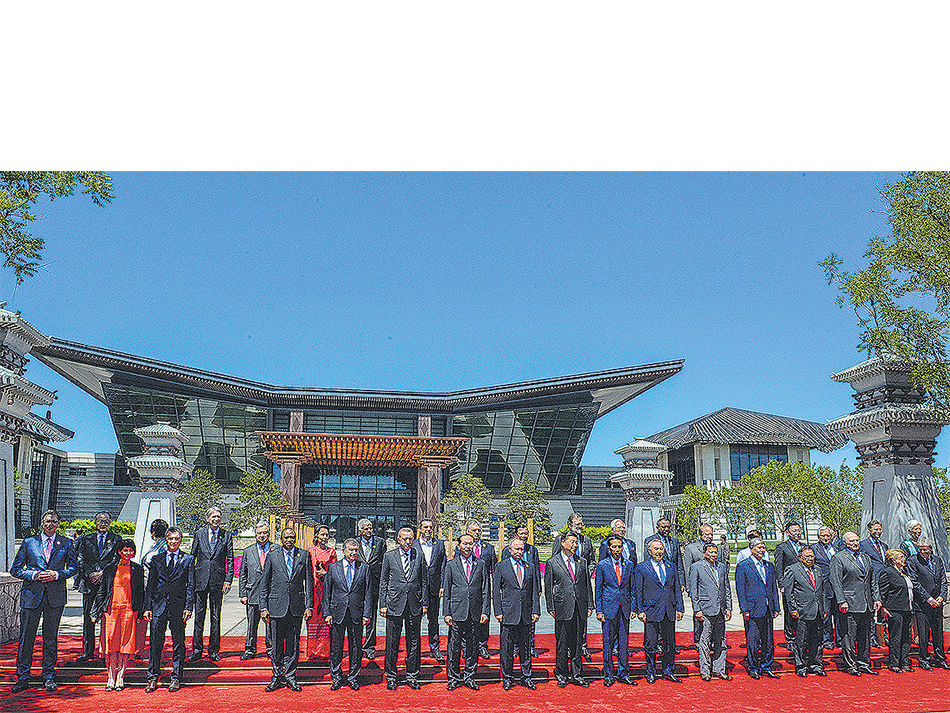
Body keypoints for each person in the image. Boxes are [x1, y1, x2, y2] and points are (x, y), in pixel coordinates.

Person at [11, 509, 78, 694]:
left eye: (54, 521)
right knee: (26, 637)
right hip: (32, 596)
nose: (50, 524)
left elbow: (74, 567)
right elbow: (15, 569)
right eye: (48, 521)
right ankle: (23, 676)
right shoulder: (29, 542)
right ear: (42, 523)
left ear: (58, 524)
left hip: (54, 597)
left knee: (50, 638)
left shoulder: (66, 543)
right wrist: (34, 575)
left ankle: (48, 675)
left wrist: (57, 574)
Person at [261, 527, 313, 692]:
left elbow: (309, 583)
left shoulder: (303, 555)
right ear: (281, 539)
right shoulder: (272, 555)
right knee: (276, 644)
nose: (289, 540)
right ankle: (277, 675)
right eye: (286, 537)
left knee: (293, 644)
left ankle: (290, 675)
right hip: (276, 606)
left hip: (296, 607)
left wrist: (309, 606)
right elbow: (265, 582)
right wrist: (263, 606)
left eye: (292, 537)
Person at [144, 527, 195, 693]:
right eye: (171, 538)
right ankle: (152, 677)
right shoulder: (156, 559)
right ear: (166, 540)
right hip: (158, 607)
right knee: (155, 643)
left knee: (178, 643)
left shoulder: (188, 559)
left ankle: (176, 678)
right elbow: (150, 586)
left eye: (177, 538)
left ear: (181, 540)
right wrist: (147, 607)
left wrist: (188, 607)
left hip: (178, 607)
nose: (174, 541)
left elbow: (190, 586)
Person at [91, 538, 145, 690]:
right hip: (111, 611)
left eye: (131, 550)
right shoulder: (109, 569)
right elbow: (102, 591)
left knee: (125, 645)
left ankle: (120, 676)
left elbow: (140, 592)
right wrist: (95, 611)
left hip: (129, 611)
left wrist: (140, 612)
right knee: (111, 645)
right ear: (119, 551)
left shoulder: (137, 569)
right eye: (125, 550)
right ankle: (110, 677)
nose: (128, 553)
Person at [379, 526, 428, 690]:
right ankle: (391, 675)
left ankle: (412, 675)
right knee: (392, 641)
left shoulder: (419, 555)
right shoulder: (389, 556)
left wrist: (424, 603)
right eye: (404, 539)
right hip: (394, 604)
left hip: (414, 604)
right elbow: (383, 582)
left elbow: (424, 581)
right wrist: (383, 604)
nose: (407, 542)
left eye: (410, 538)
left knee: (414, 641)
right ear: (398, 540)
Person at [442, 533, 490, 691]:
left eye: (470, 544)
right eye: (464, 543)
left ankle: (469, 676)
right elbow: (447, 590)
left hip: (475, 612)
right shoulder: (451, 564)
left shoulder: (481, 564)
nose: (467, 546)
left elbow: (485, 589)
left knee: (473, 646)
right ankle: (453, 677)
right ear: (459, 545)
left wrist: (485, 611)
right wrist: (447, 613)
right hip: (457, 611)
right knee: (454, 646)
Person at [323, 538, 373, 690]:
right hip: (337, 612)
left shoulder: (364, 568)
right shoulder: (333, 568)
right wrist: (327, 613)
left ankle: (353, 677)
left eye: (356, 550)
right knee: (336, 647)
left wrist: (367, 614)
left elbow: (368, 593)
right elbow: (327, 592)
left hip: (356, 613)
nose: (353, 553)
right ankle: (336, 677)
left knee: (356, 647)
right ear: (344, 551)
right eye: (351, 550)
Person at [545, 531, 593, 687]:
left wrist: (590, 605)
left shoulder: (582, 562)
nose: (574, 545)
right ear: (563, 542)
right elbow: (548, 587)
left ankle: (577, 674)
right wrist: (550, 606)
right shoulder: (553, 562)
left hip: (579, 607)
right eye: (571, 542)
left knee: (577, 643)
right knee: (562, 642)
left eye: (576, 542)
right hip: (562, 607)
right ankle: (561, 673)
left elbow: (587, 585)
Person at [830, 531, 881, 676]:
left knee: (865, 636)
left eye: (857, 540)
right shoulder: (839, 558)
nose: (855, 543)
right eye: (851, 541)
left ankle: (864, 663)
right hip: (849, 604)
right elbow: (836, 581)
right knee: (849, 636)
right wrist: (841, 600)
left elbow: (872, 579)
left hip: (866, 603)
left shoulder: (865, 557)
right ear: (845, 543)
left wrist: (876, 598)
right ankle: (851, 665)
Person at [635, 539, 685, 683]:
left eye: (661, 549)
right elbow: (638, 590)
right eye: (656, 549)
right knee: (650, 643)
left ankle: (668, 670)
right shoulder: (641, 567)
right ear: (649, 551)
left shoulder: (671, 566)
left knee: (669, 644)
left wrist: (680, 608)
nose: (659, 552)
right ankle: (651, 672)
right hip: (651, 610)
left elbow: (676, 589)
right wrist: (640, 610)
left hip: (669, 610)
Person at [494, 538, 540, 690]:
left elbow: (534, 591)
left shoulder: (530, 567)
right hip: (508, 613)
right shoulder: (501, 566)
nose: (519, 552)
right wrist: (498, 611)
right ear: (510, 550)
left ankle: (526, 676)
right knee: (507, 648)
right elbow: (496, 591)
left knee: (525, 647)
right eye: (516, 549)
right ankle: (507, 677)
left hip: (526, 613)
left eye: (521, 549)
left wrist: (535, 610)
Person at [189, 506, 233, 662]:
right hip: (200, 581)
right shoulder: (199, 534)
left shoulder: (226, 535)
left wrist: (228, 580)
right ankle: (197, 650)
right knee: (199, 617)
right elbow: (192, 557)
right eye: (213, 516)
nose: (216, 519)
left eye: (218, 516)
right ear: (207, 519)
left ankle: (214, 650)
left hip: (217, 581)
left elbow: (230, 559)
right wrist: (191, 579)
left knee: (215, 617)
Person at [76, 511, 121, 662]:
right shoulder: (86, 539)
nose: (103, 523)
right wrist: (91, 574)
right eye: (100, 521)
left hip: (107, 584)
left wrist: (103, 574)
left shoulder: (116, 539)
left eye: (106, 520)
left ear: (110, 523)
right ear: (95, 523)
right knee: (88, 619)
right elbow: (80, 560)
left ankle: (105, 651)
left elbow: (117, 560)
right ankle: (87, 652)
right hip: (89, 584)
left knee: (107, 618)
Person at [735, 538, 781, 679]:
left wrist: (776, 606)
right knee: (753, 641)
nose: (762, 550)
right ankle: (753, 667)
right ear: (751, 548)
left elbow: (773, 587)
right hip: (753, 608)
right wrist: (744, 609)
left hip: (768, 607)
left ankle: (766, 666)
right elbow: (740, 589)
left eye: (763, 547)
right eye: (759, 547)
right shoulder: (743, 566)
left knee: (768, 641)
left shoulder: (769, 566)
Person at [594, 535, 637, 686]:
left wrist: (633, 607)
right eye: (614, 547)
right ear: (609, 548)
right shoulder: (602, 565)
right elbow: (598, 589)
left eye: (619, 547)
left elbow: (632, 588)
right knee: (608, 643)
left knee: (624, 643)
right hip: (608, 608)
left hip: (624, 608)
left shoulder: (629, 564)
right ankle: (608, 674)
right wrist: (599, 610)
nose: (617, 550)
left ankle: (624, 673)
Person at [552, 513, 595, 660]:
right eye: (577, 524)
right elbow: (555, 561)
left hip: (581, 585)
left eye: (581, 523)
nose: (580, 526)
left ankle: (582, 646)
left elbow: (591, 561)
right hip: (566, 590)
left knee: (582, 620)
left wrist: (585, 572)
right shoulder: (560, 540)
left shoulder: (586, 541)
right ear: (570, 525)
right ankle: (567, 650)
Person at [688, 542, 732, 681]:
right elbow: (694, 590)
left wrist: (729, 607)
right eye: (711, 552)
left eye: (715, 552)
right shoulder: (696, 567)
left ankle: (719, 669)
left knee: (721, 641)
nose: (713, 555)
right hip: (705, 609)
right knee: (705, 641)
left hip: (720, 609)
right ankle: (705, 670)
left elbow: (726, 588)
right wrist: (697, 609)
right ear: (704, 553)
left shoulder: (722, 567)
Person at [907, 536, 949, 670]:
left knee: (938, 633)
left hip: (937, 603)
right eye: (921, 549)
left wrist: (942, 596)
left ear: (931, 549)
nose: (923, 552)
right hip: (923, 604)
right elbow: (915, 582)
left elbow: (943, 580)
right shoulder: (913, 561)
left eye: (925, 549)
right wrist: (928, 598)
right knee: (924, 634)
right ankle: (924, 659)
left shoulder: (937, 560)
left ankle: (940, 658)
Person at [783, 546, 826, 677]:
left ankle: (816, 664)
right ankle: (801, 665)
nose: (810, 559)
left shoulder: (818, 569)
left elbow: (822, 591)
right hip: (802, 611)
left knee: (817, 639)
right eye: (807, 556)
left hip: (817, 610)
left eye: (812, 556)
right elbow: (789, 592)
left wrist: (824, 608)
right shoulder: (792, 570)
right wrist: (793, 609)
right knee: (801, 640)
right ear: (800, 557)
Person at [682, 524, 725, 647]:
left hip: (714, 589)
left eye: (711, 534)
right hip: (699, 588)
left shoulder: (718, 548)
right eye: (706, 534)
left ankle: (714, 640)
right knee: (699, 616)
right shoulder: (691, 548)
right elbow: (687, 569)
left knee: (715, 616)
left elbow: (721, 567)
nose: (709, 536)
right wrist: (689, 588)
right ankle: (698, 640)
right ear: (700, 534)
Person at [501, 524, 541, 656]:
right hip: (513, 591)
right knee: (514, 620)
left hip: (528, 590)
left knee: (529, 621)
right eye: (521, 533)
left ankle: (530, 646)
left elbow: (536, 570)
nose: (524, 536)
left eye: (526, 533)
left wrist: (538, 588)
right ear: (516, 535)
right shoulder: (507, 550)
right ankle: (515, 646)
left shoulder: (532, 550)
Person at [413, 518, 447, 661]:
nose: (428, 529)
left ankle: (435, 648)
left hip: (434, 588)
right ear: (420, 529)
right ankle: (414, 650)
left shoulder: (439, 544)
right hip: (417, 589)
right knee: (414, 620)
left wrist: (442, 585)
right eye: (425, 527)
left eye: (430, 527)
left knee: (433, 620)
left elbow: (444, 566)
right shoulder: (413, 544)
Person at [238, 522, 273, 660]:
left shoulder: (276, 549)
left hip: (271, 594)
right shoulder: (248, 551)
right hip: (252, 593)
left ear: (269, 533)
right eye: (259, 533)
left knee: (270, 624)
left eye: (265, 532)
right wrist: (243, 594)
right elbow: (243, 573)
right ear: (255, 534)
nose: (262, 535)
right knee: (252, 624)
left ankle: (271, 649)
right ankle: (250, 649)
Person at [879, 548, 915, 673]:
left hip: (907, 608)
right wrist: (883, 607)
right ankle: (894, 663)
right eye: (901, 557)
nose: (904, 559)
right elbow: (882, 591)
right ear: (893, 559)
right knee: (896, 637)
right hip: (894, 609)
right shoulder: (888, 572)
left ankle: (904, 662)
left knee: (906, 637)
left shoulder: (904, 572)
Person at [356, 518, 386, 659]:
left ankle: (369, 646)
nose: (369, 531)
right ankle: (356, 644)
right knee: (356, 615)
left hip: (374, 584)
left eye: (370, 528)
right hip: (357, 585)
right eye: (366, 529)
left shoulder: (380, 543)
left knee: (371, 616)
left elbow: (384, 563)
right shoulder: (354, 542)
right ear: (360, 530)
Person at [306, 524, 337, 659]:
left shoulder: (332, 552)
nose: (324, 537)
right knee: (313, 621)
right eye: (322, 534)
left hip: (327, 590)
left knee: (325, 621)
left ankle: (324, 651)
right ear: (316, 536)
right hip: (314, 590)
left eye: (326, 535)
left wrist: (326, 573)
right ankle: (312, 651)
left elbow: (336, 572)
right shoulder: (310, 552)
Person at [467, 521, 497, 659]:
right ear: (468, 531)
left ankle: (483, 645)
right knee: (467, 616)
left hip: (484, 587)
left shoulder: (488, 548)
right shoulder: (463, 546)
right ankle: (466, 646)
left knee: (484, 616)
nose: (477, 532)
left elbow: (494, 569)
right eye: (474, 530)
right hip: (467, 587)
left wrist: (495, 588)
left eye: (479, 530)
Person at [774, 522, 805, 651]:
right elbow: (779, 567)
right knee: (790, 612)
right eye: (794, 531)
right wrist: (782, 585)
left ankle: (801, 637)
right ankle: (790, 639)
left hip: (803, 586)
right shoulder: (782, 547)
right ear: (788, 533)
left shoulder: (804, 547)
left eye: (798, 530)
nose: (797, 533)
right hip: (789, 585)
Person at [812, 526, 841, 649]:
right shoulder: (813, 549)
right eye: (823, 536)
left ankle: (840, 639)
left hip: (837, 587)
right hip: (824, 586)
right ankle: (827, 639)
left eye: (828, 535)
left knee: (839, 615)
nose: (826, 538)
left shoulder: (837, 548)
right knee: (826, 615)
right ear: (818, 537)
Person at [860, 519, 888, 647]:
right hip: (871, 581)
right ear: (869, 530)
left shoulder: (884, 546)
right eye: (875, 529)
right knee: (871, 611)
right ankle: (871, 637)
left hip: (884, 581)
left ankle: (883, 635)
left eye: (880, 529)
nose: (878, 531)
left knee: (883, 610)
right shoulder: (863, 545)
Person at [644, 518, 685, 592]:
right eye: (663, 527)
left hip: (672, 580)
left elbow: (679, 563)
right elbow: (648, 562)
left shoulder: (674, 541)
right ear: (657, 527)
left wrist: (681, 582)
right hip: (657, 580)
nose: (666, 529)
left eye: (668, 527)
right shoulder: (650, 540)